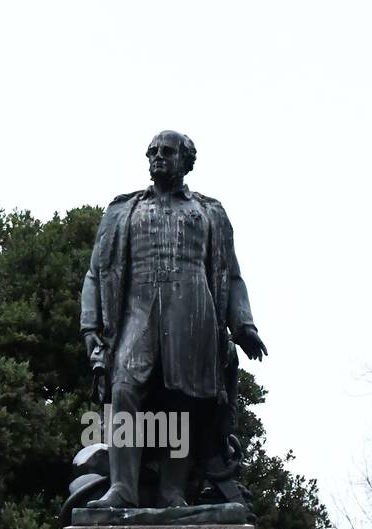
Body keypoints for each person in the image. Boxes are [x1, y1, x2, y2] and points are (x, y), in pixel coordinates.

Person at [81, 130, 267, 508]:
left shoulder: (209, 211)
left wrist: (243, 323)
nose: (157, 157)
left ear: (186, 160)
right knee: (125, 389)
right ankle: (123, 488)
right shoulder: (122, 211)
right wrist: (90, 327)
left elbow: (230, 273)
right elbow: (95, 272)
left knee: (182, 400)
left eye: (167, 151)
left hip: (192, 311)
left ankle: (172, 490)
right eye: (152, 152)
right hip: (136, 308)